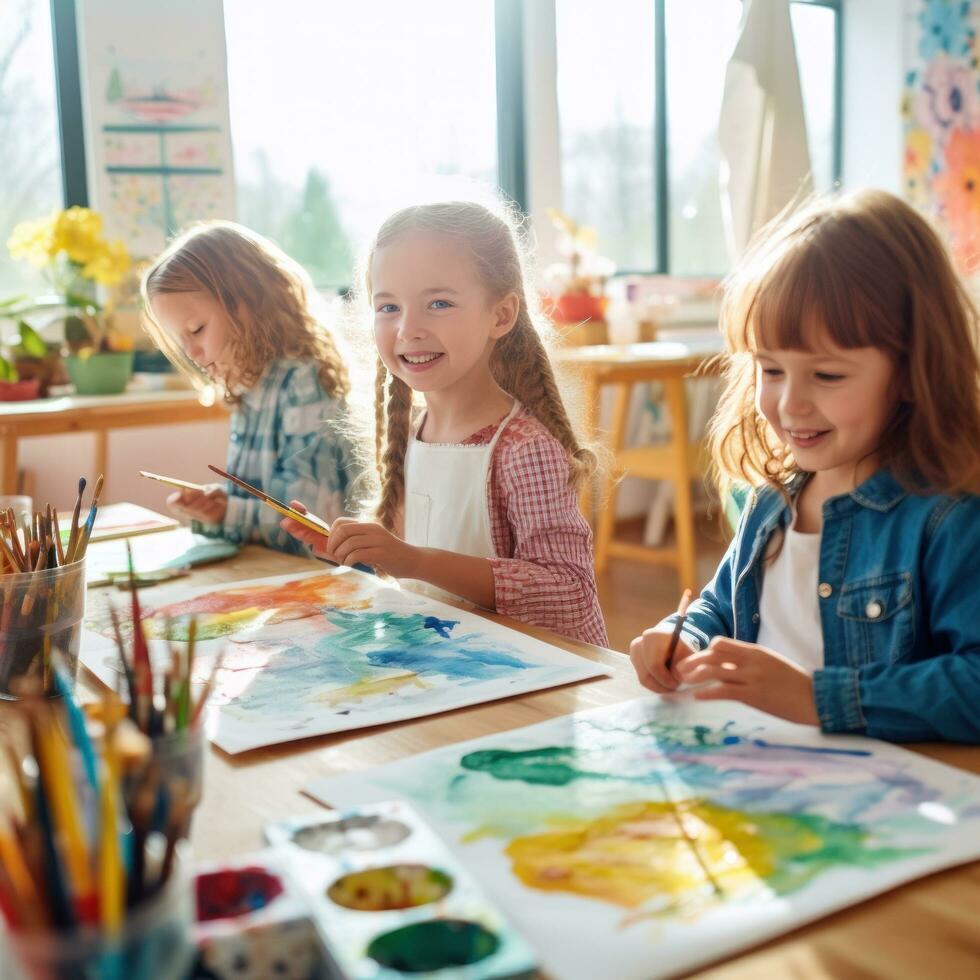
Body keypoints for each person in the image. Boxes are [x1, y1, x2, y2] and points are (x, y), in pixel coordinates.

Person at [629, 190, 980, 742]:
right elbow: (720, 606)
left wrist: (817, 699)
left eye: (828, 376)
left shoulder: (948, 519)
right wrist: (681, 635)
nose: (789, 404)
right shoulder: (772, 499)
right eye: (770, 370)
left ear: (914, 371)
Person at [282, 201, 608, 647]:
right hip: (452, 666)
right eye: (389, 306)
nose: (408, 328)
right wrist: (351, 549)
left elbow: (566, 591)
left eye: (439, 303)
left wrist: (414, 560)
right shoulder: (411, 433)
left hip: (537, 677)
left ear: (501, 315)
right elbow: (412, 571)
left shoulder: (525, 447)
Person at [142, 221, 357, 555]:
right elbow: (263, 498)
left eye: (197, 329)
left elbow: (313, 524)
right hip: (276, 573)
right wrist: (219, 506)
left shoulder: (305, 380)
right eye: (179, 342)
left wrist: (231, 513)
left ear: (249, 303)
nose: (192, 354)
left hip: (332, 582)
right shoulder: (248, 385)